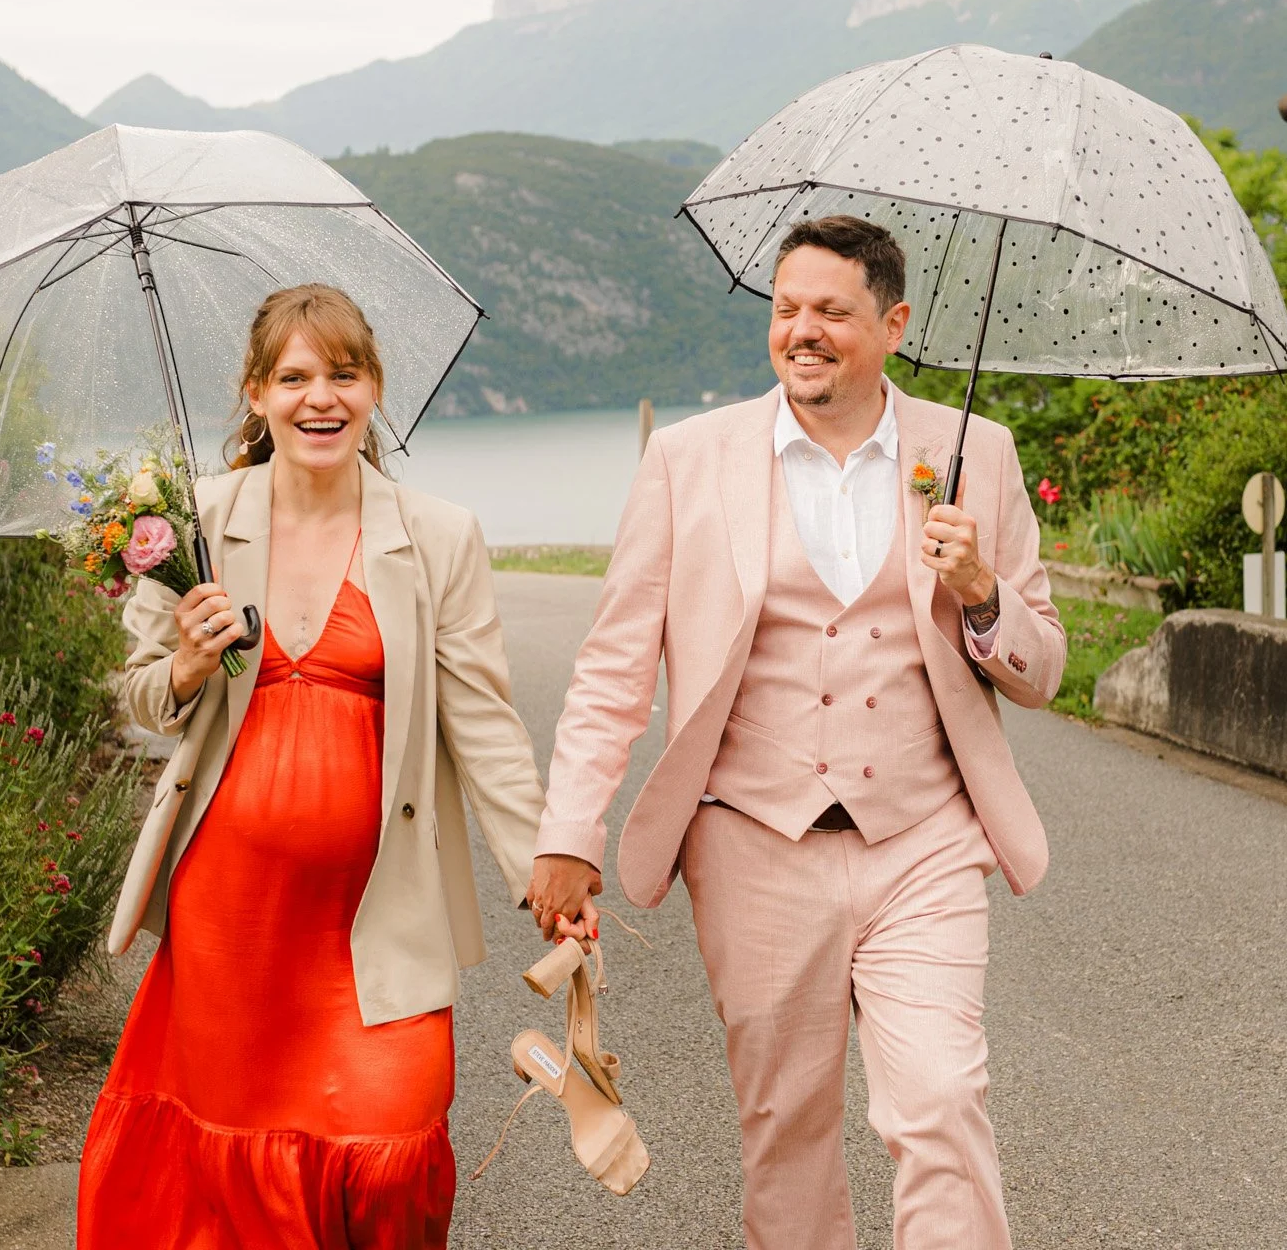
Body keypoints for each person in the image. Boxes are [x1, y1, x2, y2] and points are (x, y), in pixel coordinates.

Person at [528, 215, 1064, 1248]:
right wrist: (568, 832)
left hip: (924, 837)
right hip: (752, 840)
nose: (801, 331)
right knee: (787, 1131)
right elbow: (614, 663)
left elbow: (1043, 669)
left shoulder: (975, 454)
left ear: (894, 322)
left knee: (943, 1099)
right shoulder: (690, 458)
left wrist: (982, 591)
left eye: (831, 311)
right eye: (785, 309)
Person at [78, 283, 544, 1249]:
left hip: (381, 908)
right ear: (256, 393)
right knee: (234, 1172)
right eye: (293, 377)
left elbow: (485, 725)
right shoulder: (192, 524)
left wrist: (545, 870)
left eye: (343, 373)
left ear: (373, 388)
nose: (318, 397)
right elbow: (131, 696)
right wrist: (188, 663)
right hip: (231, 923)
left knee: (390, 1141)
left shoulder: (439, 534)